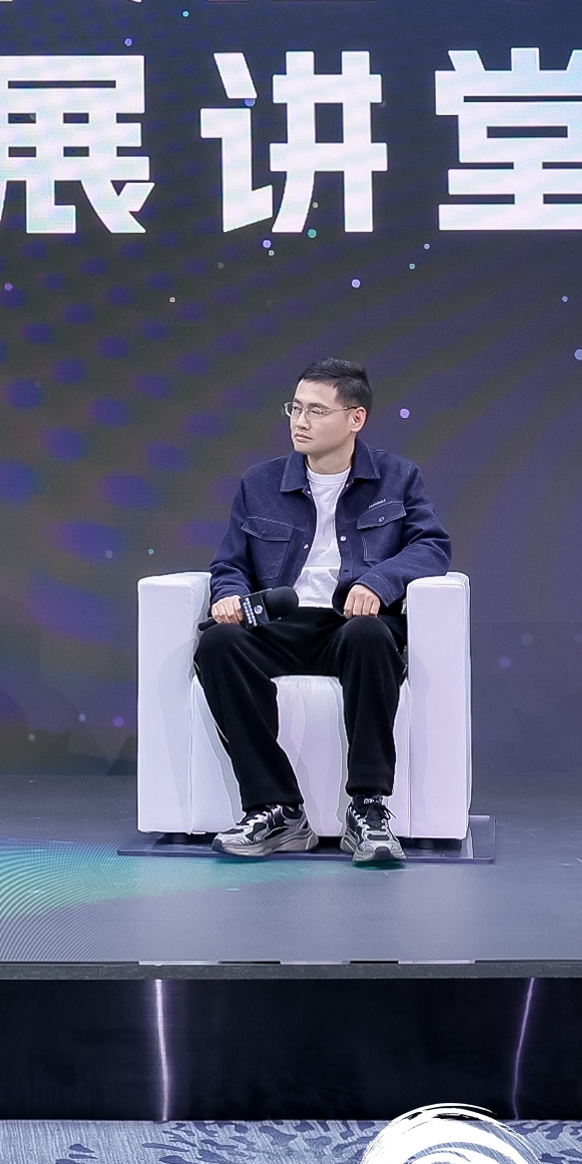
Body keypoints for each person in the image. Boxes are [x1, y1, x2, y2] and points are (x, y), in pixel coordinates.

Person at [195, 356, 453, 865]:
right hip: (281, 621)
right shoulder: (259, 483)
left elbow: (432, 546)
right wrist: (228, 594)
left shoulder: (398, 478)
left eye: (316, 410)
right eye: (295, 408)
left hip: (351, 625)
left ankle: (368, 809)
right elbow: (230, 563)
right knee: (218, 644)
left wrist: (379, 582)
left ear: (355, 418)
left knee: (370, 635)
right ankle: (276, 808)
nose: (300, 421)